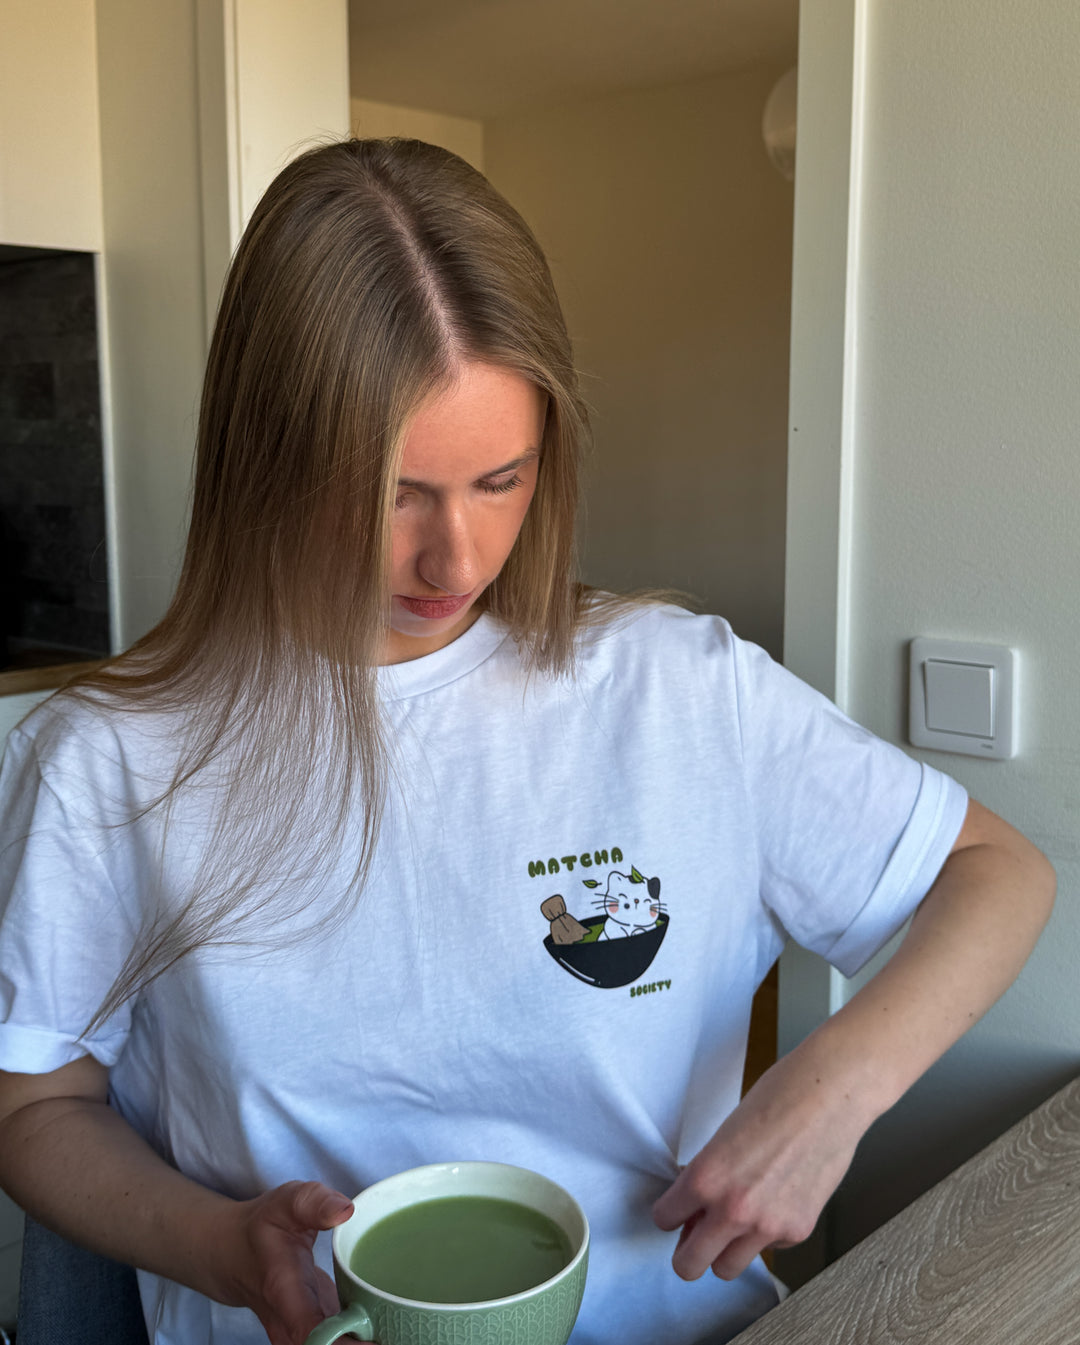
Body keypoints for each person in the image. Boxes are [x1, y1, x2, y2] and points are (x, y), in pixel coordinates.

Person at [0, 138, 1055, 1345]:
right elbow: (34, 1103)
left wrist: (832, 1093)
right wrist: (220, 1246)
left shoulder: (680, 691)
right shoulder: (113, 757)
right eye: (392, 491)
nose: (455, 558)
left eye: (501, 478)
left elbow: (1000, 874)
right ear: (266, 459)